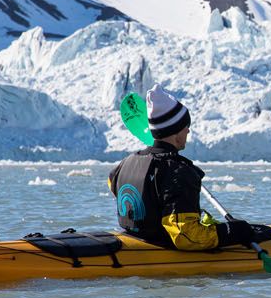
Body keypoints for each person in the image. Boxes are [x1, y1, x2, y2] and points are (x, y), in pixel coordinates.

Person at [108, 85, 255, 250]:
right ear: (176, 131)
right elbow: (186, 236)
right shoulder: (179, 173)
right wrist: (232, 232)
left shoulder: (126, 163)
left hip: (133, 239)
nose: (188, 130)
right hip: (161, 248)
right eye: (186, 126)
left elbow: (112, 182)